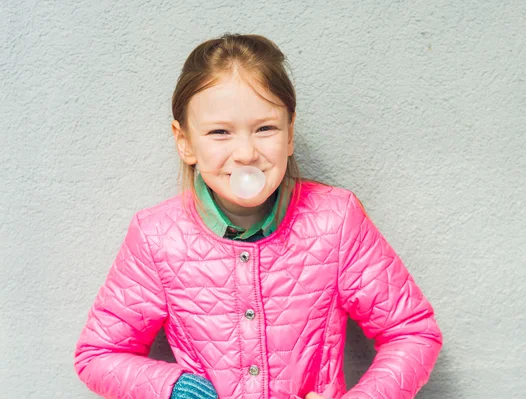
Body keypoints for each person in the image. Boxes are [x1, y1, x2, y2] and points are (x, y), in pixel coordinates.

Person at [74, 33, 443, 399]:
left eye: (265, 128)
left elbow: (412, 332)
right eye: (220, 132)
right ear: (185, 141)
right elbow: (98, 355)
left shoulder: (336, 220)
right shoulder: (156, 237)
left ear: (290, 132)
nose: (246, 154)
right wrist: (173, 388)